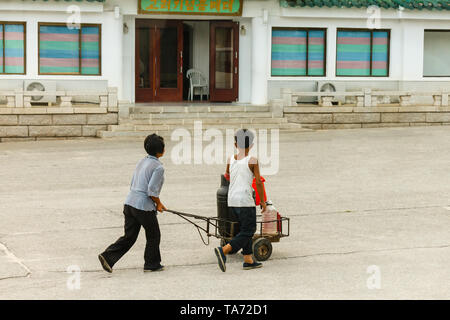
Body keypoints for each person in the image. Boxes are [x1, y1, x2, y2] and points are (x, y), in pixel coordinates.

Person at [98, 134, 167, 273]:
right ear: (161, 151)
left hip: (129, 203)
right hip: (143, 207)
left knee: (129, 237)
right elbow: (152, 191)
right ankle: (151, 264)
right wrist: (158, 204)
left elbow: (134, 183)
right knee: (154, 235)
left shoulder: (141, 161)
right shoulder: (158, 167)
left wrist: (157, 203)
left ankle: (108, 256)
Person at [214, 129, 267, 272]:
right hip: (245, 200)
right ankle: (223, 250)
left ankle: (248, 260)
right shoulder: (253, 161)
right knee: (249, 230)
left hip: (232, 200)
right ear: (252, 145)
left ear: (235, 144)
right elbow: (259, 182)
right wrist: (262, 201)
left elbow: (227, 175)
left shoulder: (230, 159)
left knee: (244, 229)